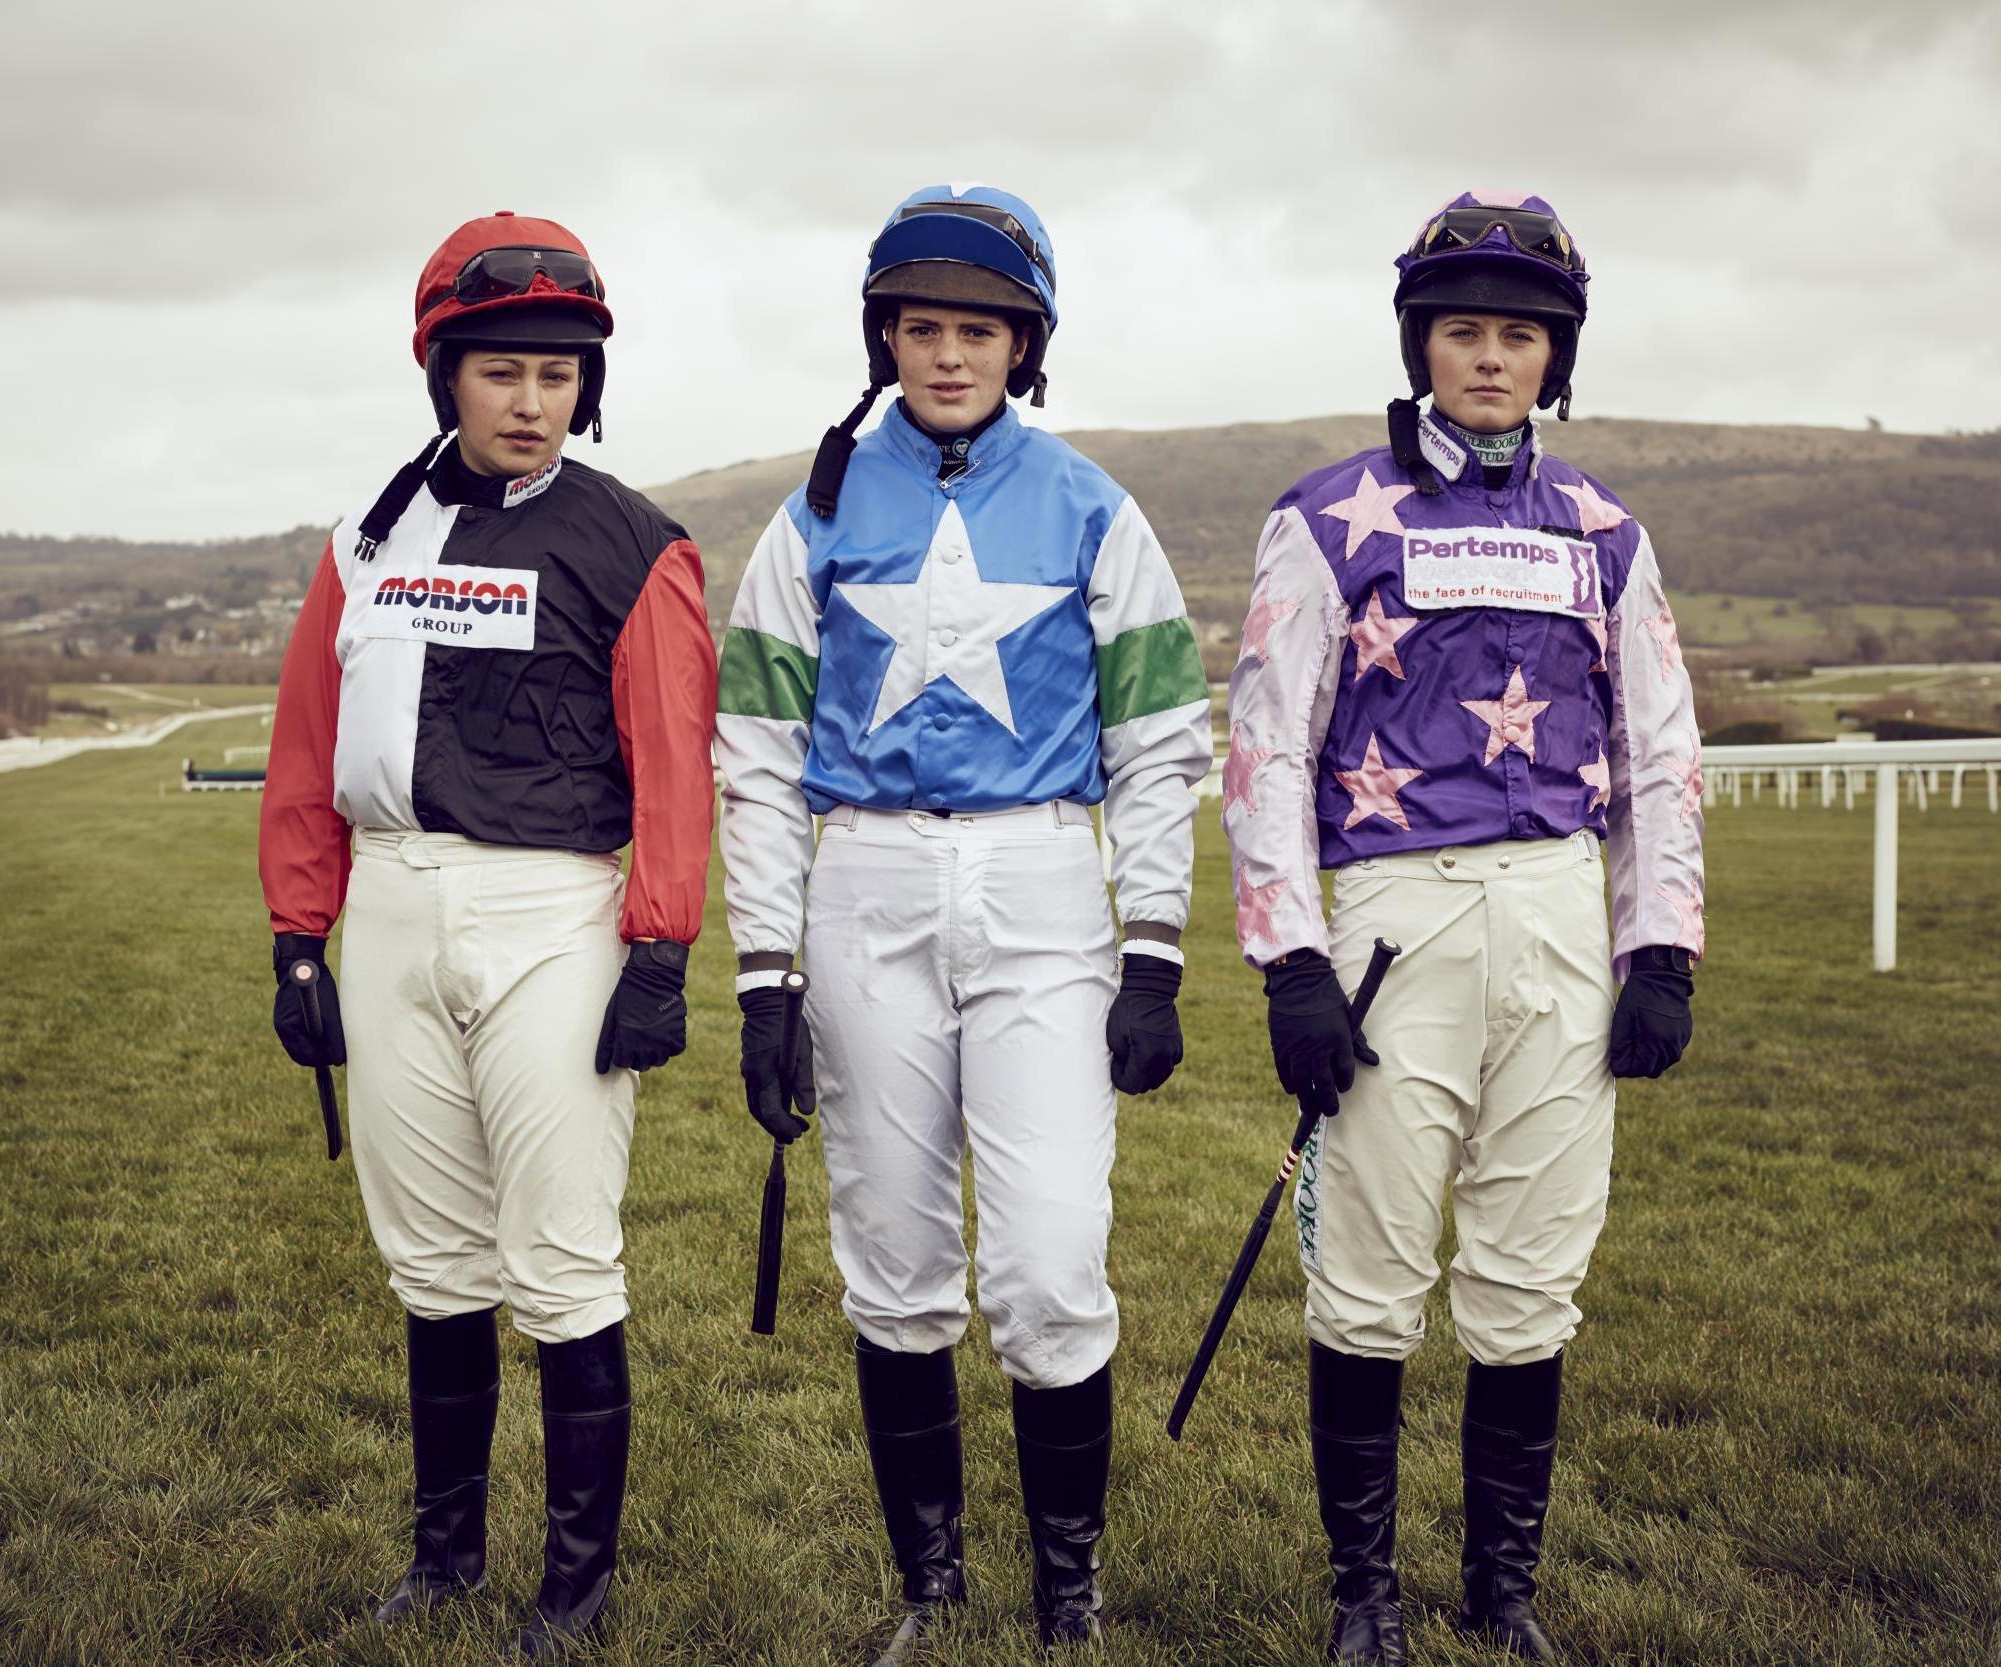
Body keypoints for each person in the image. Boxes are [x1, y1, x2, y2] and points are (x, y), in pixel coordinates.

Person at [716, 184, 1212, 1659]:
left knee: (1052, 1262)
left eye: (977, 331)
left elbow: (1160, 739)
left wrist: (1155, 949)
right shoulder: (808, 514)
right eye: (921, 329)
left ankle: (1070, 1596)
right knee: (893, 1255)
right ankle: (929, 1593)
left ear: (1024, 343)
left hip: (1041, 885)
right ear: (886, 338)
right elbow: (750, 752)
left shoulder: (1088, 506)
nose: (947, 357)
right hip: (861, 885)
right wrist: (761, 974)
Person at [1223, 191, 1703, 1665]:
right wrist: (1288, 959)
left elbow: (1660, 750)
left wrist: (1660, 946)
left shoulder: (1604, 533)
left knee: (1527, 1272)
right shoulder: (1323, 519)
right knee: (1368, 1275)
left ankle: (1503, 1595)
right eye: (1460, 332)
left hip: (1556, 913)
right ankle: (1359, 1595)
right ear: (1418, 344)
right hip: (1388, 923)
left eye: (1516, 336)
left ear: (1553, 357)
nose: (1486, 360)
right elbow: (1266, 749)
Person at [257, 212, 717, 1658]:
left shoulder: (639, 546)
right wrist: (295, 937)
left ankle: (572, 1594)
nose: (533, 401)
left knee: (562, 1258)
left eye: (559, 375)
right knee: (434, 1259)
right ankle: (444, 1558)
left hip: (552, 914)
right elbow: (306, 748)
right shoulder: (365, 540)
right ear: (443, 373)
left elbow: (672, 763)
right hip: (392, 907)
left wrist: (658, 947)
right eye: (504, 371)